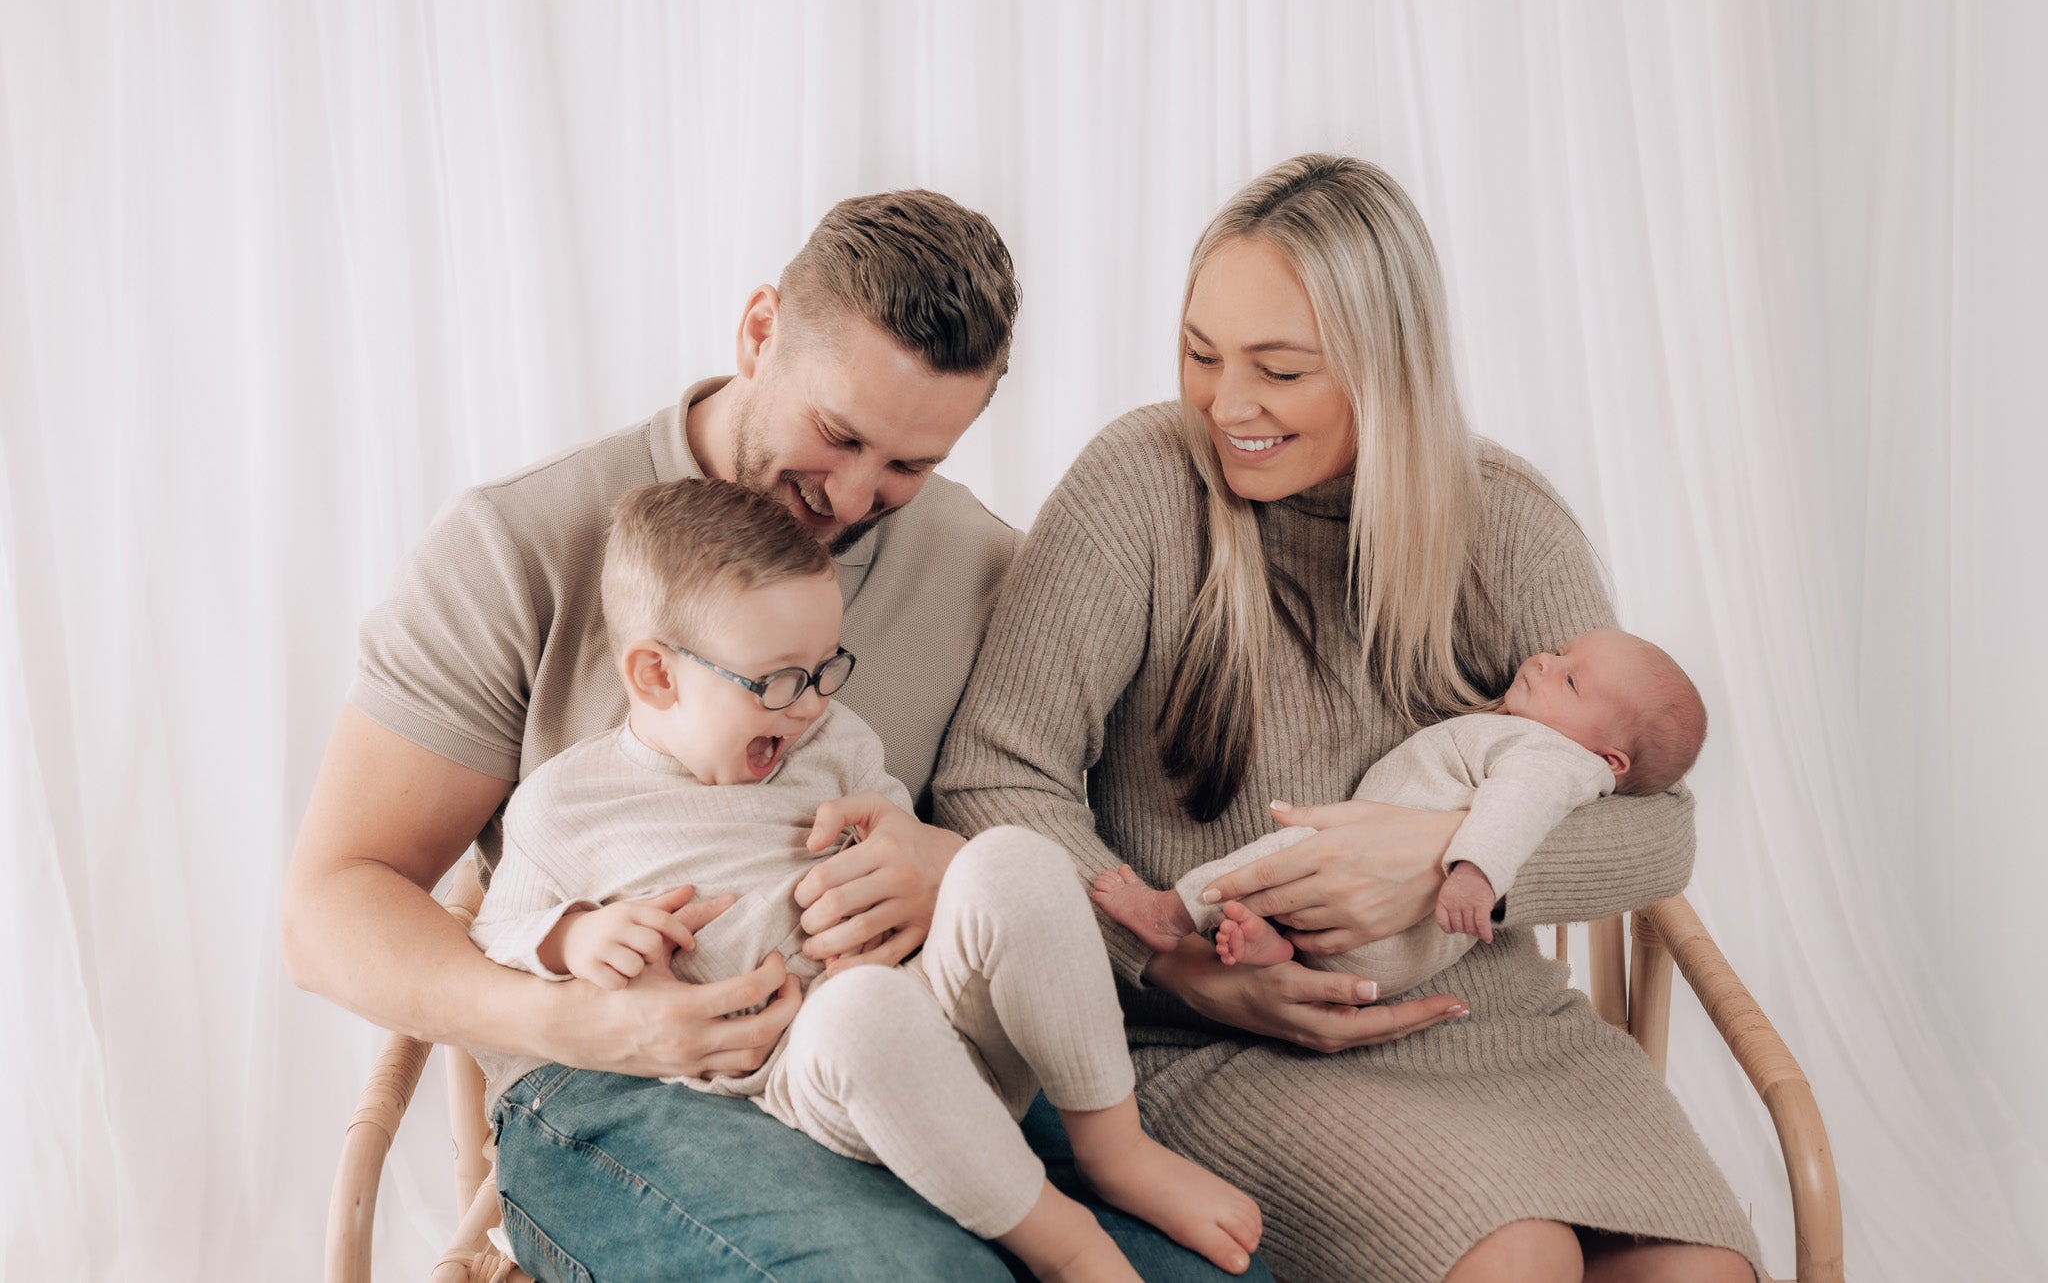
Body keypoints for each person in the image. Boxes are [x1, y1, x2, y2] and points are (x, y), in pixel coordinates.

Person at [283, 189, 1262, 1281]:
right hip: (622, 1084)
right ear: (757, 334)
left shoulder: (983, 571)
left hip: (900, 1039)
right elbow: (330, 906)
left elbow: (1055, 846)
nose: (850, 496)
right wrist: (585, 1018)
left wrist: (944, 865)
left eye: (908, 466)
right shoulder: (517, 546)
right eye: (837, 433)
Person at [932, 154, 1766, 1283]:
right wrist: (1172, 969)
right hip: (1223, 1039)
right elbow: (993, 775)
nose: (1227, 405)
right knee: (1513, 1261)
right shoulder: (1138, 487)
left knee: (1697, 1274)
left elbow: (1651, 822)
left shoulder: (1505, 524)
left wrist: (1434, 859)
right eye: (1200, 353)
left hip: (1497, 1025)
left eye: (1278, 369)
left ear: (1388, 372)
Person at [470, 475, 1263, 1282]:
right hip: (810, 1074)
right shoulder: (567, 806)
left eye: (825, 669)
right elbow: (495, 932)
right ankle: (1064, 1244)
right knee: (860, 1009)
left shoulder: (829, 739)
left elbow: (935, 882)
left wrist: (924, 858)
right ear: (657, 677)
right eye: (780, 680)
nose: (811, 704)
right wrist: (576, 935)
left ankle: (1114, 1147)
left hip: (947, 1021)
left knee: (1012, 859)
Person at [1092, 627, 1707, 992]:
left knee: (1290, 852)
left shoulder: (1552, 758)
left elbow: (1516, 809)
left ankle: (1172, 912)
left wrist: (1474, 873)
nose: (1547, 663)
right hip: (1385, 950)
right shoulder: (1537, 738)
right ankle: (1272, 951)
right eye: (1559, 652)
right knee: (1297, 881)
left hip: (1397, 930)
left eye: (1571, 682)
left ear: (1612, 761)